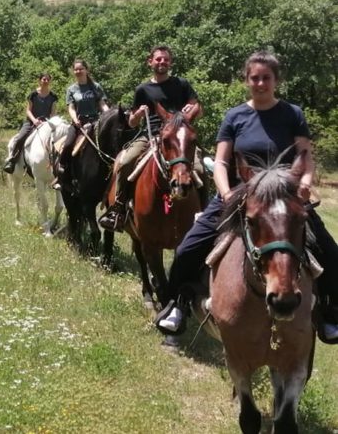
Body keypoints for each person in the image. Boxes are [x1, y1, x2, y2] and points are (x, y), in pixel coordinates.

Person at [155, 51, 338, 342]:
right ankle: (177, 304)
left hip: (284, 196)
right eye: (255, 78)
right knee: (187, 249)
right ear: (246, 80)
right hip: (240, 193)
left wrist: (303, 184)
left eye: (266, 78)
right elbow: (223, 162)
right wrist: (226, 193)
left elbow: (306, 156)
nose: (260, 83)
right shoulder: (235, 116)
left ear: (276, 80)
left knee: (330, 251)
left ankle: (329, 312)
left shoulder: (293, 114)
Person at [99, 45, 203, 232]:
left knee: (200, 168)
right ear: (150, 62)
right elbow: (131, 123)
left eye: (165, 59)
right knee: (126, 161)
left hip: (178, 138)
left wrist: (191, 109)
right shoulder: (143, 89)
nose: (162, 62)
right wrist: (138, 113)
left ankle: (205, 216)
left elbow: (198, 108)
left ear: (170, 62)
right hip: (151, 135)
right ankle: (119, 210)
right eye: (158, 59)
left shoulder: (182, 84)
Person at [53, 59, 109, 183]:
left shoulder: (96, 86)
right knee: (67, 145)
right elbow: (71, 108)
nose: (78, 71)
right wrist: (75, 119)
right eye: (76, 69)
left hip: (95, 122)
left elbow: (102, 104)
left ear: (86, 70)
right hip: (78, 123)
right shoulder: (71, 89)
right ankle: (61, 171)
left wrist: (108, 114)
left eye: (81, 69)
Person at [3, 73, 58, 174]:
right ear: (39, 80)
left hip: (46, 123)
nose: (45, 81)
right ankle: (12, 161)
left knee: (57, 139)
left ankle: (58, 165)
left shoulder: (53, 96)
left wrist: (49, 122)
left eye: (47, 79)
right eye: (43, 79)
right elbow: (28, 110)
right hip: (31, 122)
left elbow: (53, 112)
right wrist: (35, 120)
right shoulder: (33, 95)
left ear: (50, 81)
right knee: (20, 138)